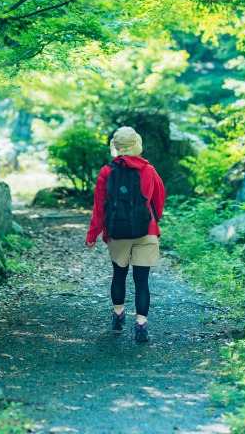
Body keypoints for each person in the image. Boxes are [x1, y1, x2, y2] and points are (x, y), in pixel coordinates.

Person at [85, 126, 166, 342]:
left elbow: (100, 207)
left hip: (118, 231)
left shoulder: (107, 171)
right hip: (146, 230)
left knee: (119, 275)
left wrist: (93, 235)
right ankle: (140, 326)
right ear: (136, 146)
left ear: (117, 148)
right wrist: (153, 220)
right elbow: (159, 197)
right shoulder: (148, 169)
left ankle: (119, 315)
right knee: (142, 281)